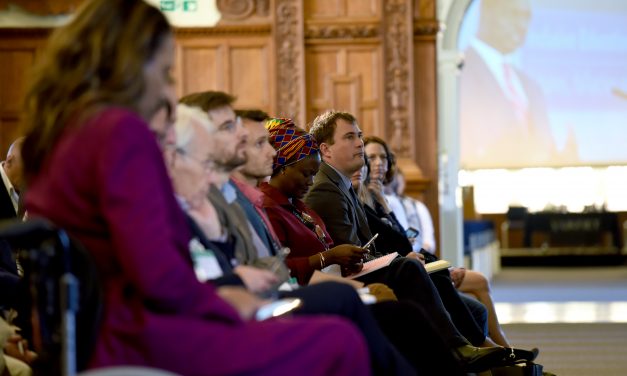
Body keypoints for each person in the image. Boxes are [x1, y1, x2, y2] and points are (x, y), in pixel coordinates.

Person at [21, 0, 370, 374]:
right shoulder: (121, 133)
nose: (168, 85)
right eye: (166, 70)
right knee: (339, 340)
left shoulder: (62, 134)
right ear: (135, 64)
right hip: (135, 335)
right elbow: (159, 277)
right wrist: (228, 301)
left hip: (94, 333)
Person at [459, 0, 577, 168]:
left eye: (526, 18)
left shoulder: (531, 86)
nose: (522, 26)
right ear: (487, 14)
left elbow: (544, 150)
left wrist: (561, 162)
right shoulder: (459, 73)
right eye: (513, 15)